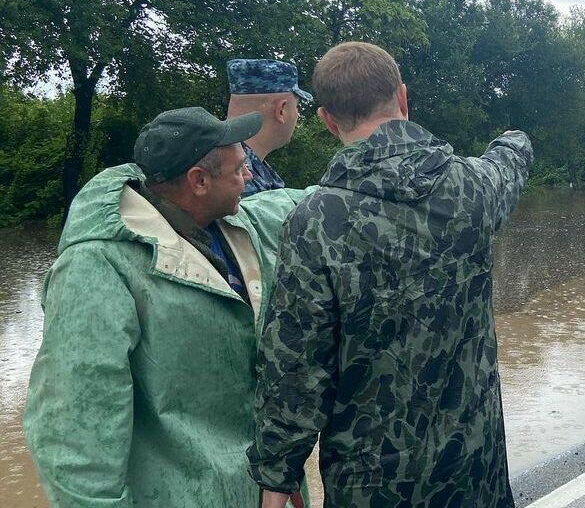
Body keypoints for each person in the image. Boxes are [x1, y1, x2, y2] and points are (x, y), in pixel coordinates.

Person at [247, 42, 533, 508]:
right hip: (474, 474)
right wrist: (513, 135)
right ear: (403, 98)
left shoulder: (314, 220)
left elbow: (295, 371)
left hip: (370, 486)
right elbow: (512, 160)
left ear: (326, 119)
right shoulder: (472, 190)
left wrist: (276, 481)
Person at [24, 108, 307, 508]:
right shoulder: (97, 267)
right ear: (199, 180)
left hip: (259, 490)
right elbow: (75, 435)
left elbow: (298, 203)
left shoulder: (235, 226)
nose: (249, 178)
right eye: (240, 169)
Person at [227, 58, 313, 196]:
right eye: (297, 106)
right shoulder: (239, 179)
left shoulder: (216, 161)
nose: (297, 114)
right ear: (281, 110)